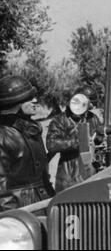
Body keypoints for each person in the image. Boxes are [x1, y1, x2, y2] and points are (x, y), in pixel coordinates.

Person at [0, 75, 55, 211]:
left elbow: (43, 177)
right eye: (29, 98)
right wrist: (12, 220)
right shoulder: (3, 137)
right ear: (15, 103)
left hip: (44, 205)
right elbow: (2, 189)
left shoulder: (32, 131)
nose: (35, 100)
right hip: (20, 214)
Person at [46, 87, 103, 192]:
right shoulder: (60, 120)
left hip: (91, 172)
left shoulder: (92, 117)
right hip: (69, 176)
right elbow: (51, 144)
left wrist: (98, 138)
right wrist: (79, 142)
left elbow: (100, 136)